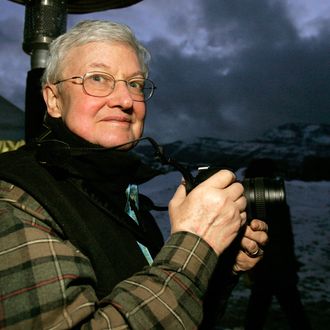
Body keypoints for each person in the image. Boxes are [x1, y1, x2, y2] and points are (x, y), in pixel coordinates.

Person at [0, 20, 268, 329]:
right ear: (54, 100)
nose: (125, 100)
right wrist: (195, 244)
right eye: (98, 78)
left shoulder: (128, 202)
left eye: (135, 83)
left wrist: (213, 266)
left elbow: (172, 316)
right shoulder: (17, 198)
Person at [243, 159, 312, 330]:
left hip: (268, 265)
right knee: (291, 309)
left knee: (259, 309)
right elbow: (285, 235)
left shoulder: (263, 199)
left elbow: (284, 234)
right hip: (278, 265)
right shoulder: (274, 198)